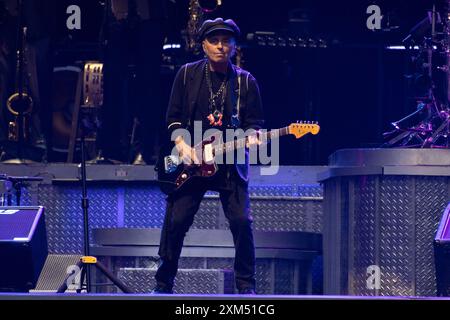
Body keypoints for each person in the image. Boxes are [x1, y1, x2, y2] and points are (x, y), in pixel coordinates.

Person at [152, 17, 264, 294]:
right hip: (192, 163)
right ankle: (163, 284)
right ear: (203, 45)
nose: (220, 46)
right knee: (176, 221)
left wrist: (251, 136)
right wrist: (184, 146)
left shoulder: (245, 82)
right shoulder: (187, 74)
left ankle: (245, 286)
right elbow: (173, 119)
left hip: (229, 165)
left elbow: (254, 123)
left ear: (235, 46)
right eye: (214, 41)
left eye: (226, 41)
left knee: (242, 222)